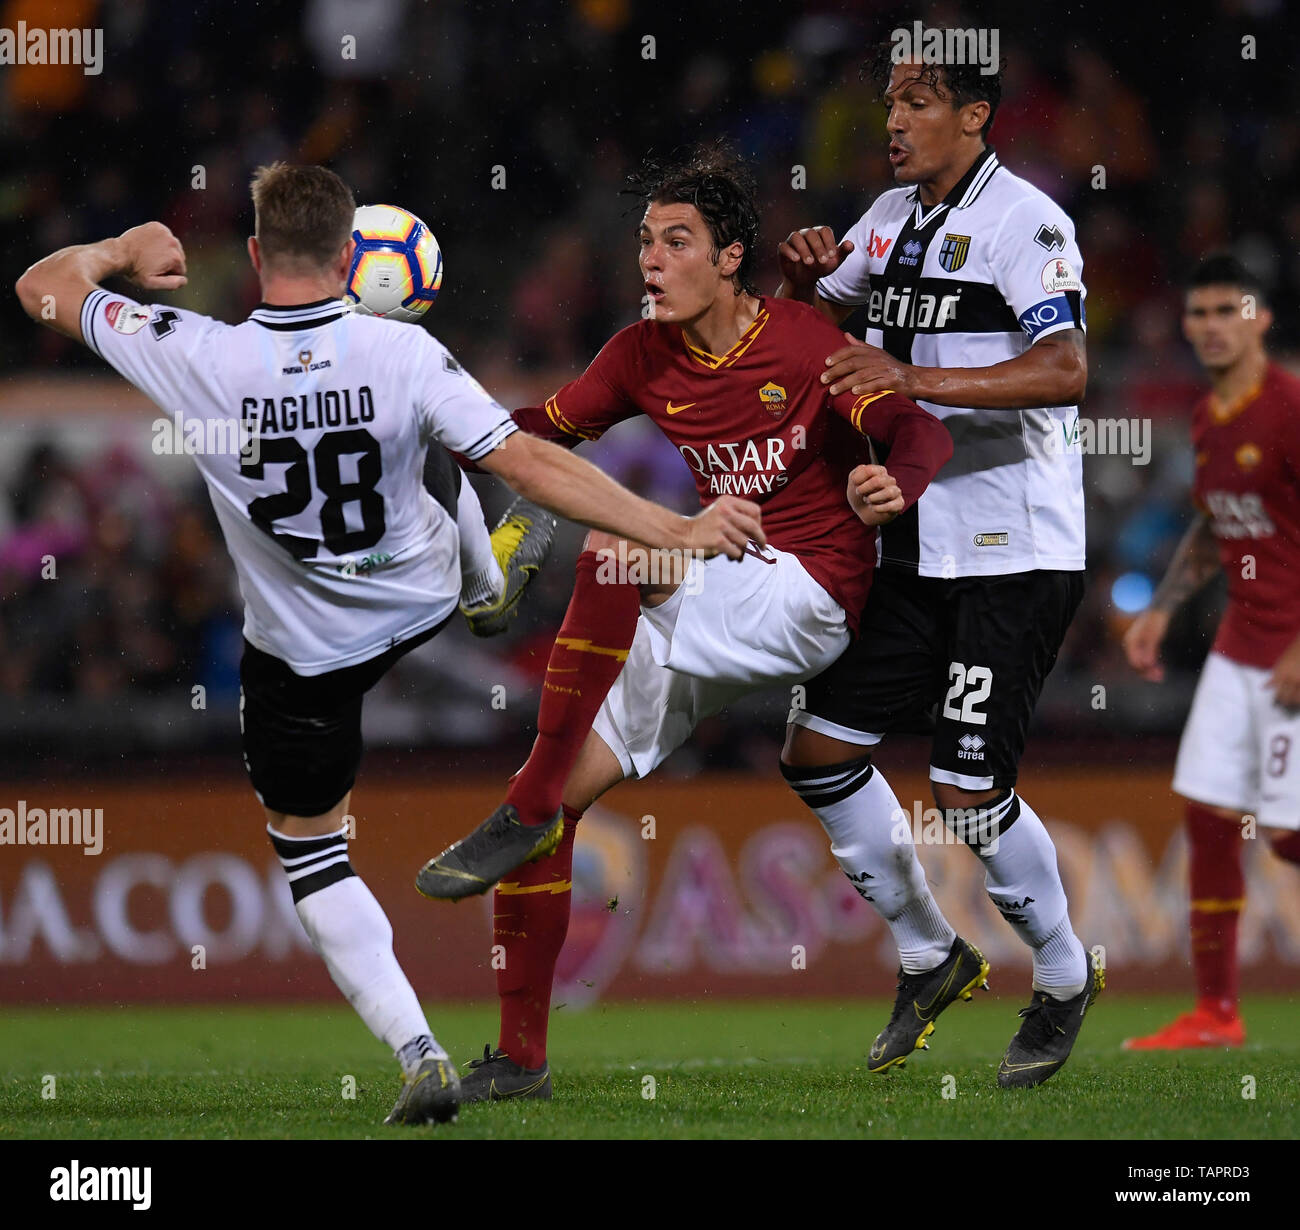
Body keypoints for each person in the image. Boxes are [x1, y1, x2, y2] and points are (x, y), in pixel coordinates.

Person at [14, 162, 763, 1126]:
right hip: (424, 597)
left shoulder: (190, 350)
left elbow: (40, 286)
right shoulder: (404, 353)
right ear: (349, 258)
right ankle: (491, 588)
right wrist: (670, 527)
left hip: (302, 653)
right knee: (457, 459)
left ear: (252, 257)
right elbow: (528, 461)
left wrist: (118, 250)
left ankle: (419, 1049)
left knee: (311, 852)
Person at [414, 146, 954, 1101]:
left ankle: (527, 797)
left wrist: (892, 484)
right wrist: (433, 414)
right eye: (643, 243)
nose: (651, 262)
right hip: (707, 582)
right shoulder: (637, 353)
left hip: (810, 593)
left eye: (676, 242)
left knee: (618, 550)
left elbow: (920, 428)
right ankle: (521, 1060)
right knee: (556, 808)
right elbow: (533, 433)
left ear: (732, 257)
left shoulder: (805, 339)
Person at [773, 42, 1100, 1088]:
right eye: (889, 103)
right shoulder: (885, 220)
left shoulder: (1028, 223)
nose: (894, 121)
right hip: (914, 538)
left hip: (1013, 545)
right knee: (816, 749)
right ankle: (928, 954)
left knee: (964, 789)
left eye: (918, 102)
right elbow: (830, 331)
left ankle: (1059, 975)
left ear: (976, 117)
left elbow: (1065, 369)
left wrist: (906, 372)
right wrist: (804, 286)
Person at [1122, 254, 1300, 1050]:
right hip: (1239, 645)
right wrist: (1162, 607)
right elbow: (1212, 521)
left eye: (1228, 309)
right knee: (1207, 813)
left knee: (1291, 838)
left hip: (1292, 647)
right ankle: (1216, 1014)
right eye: (1198, 313)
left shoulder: (1291, 409)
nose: (1210, 326)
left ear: (1261, 317)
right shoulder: (1206, 417)